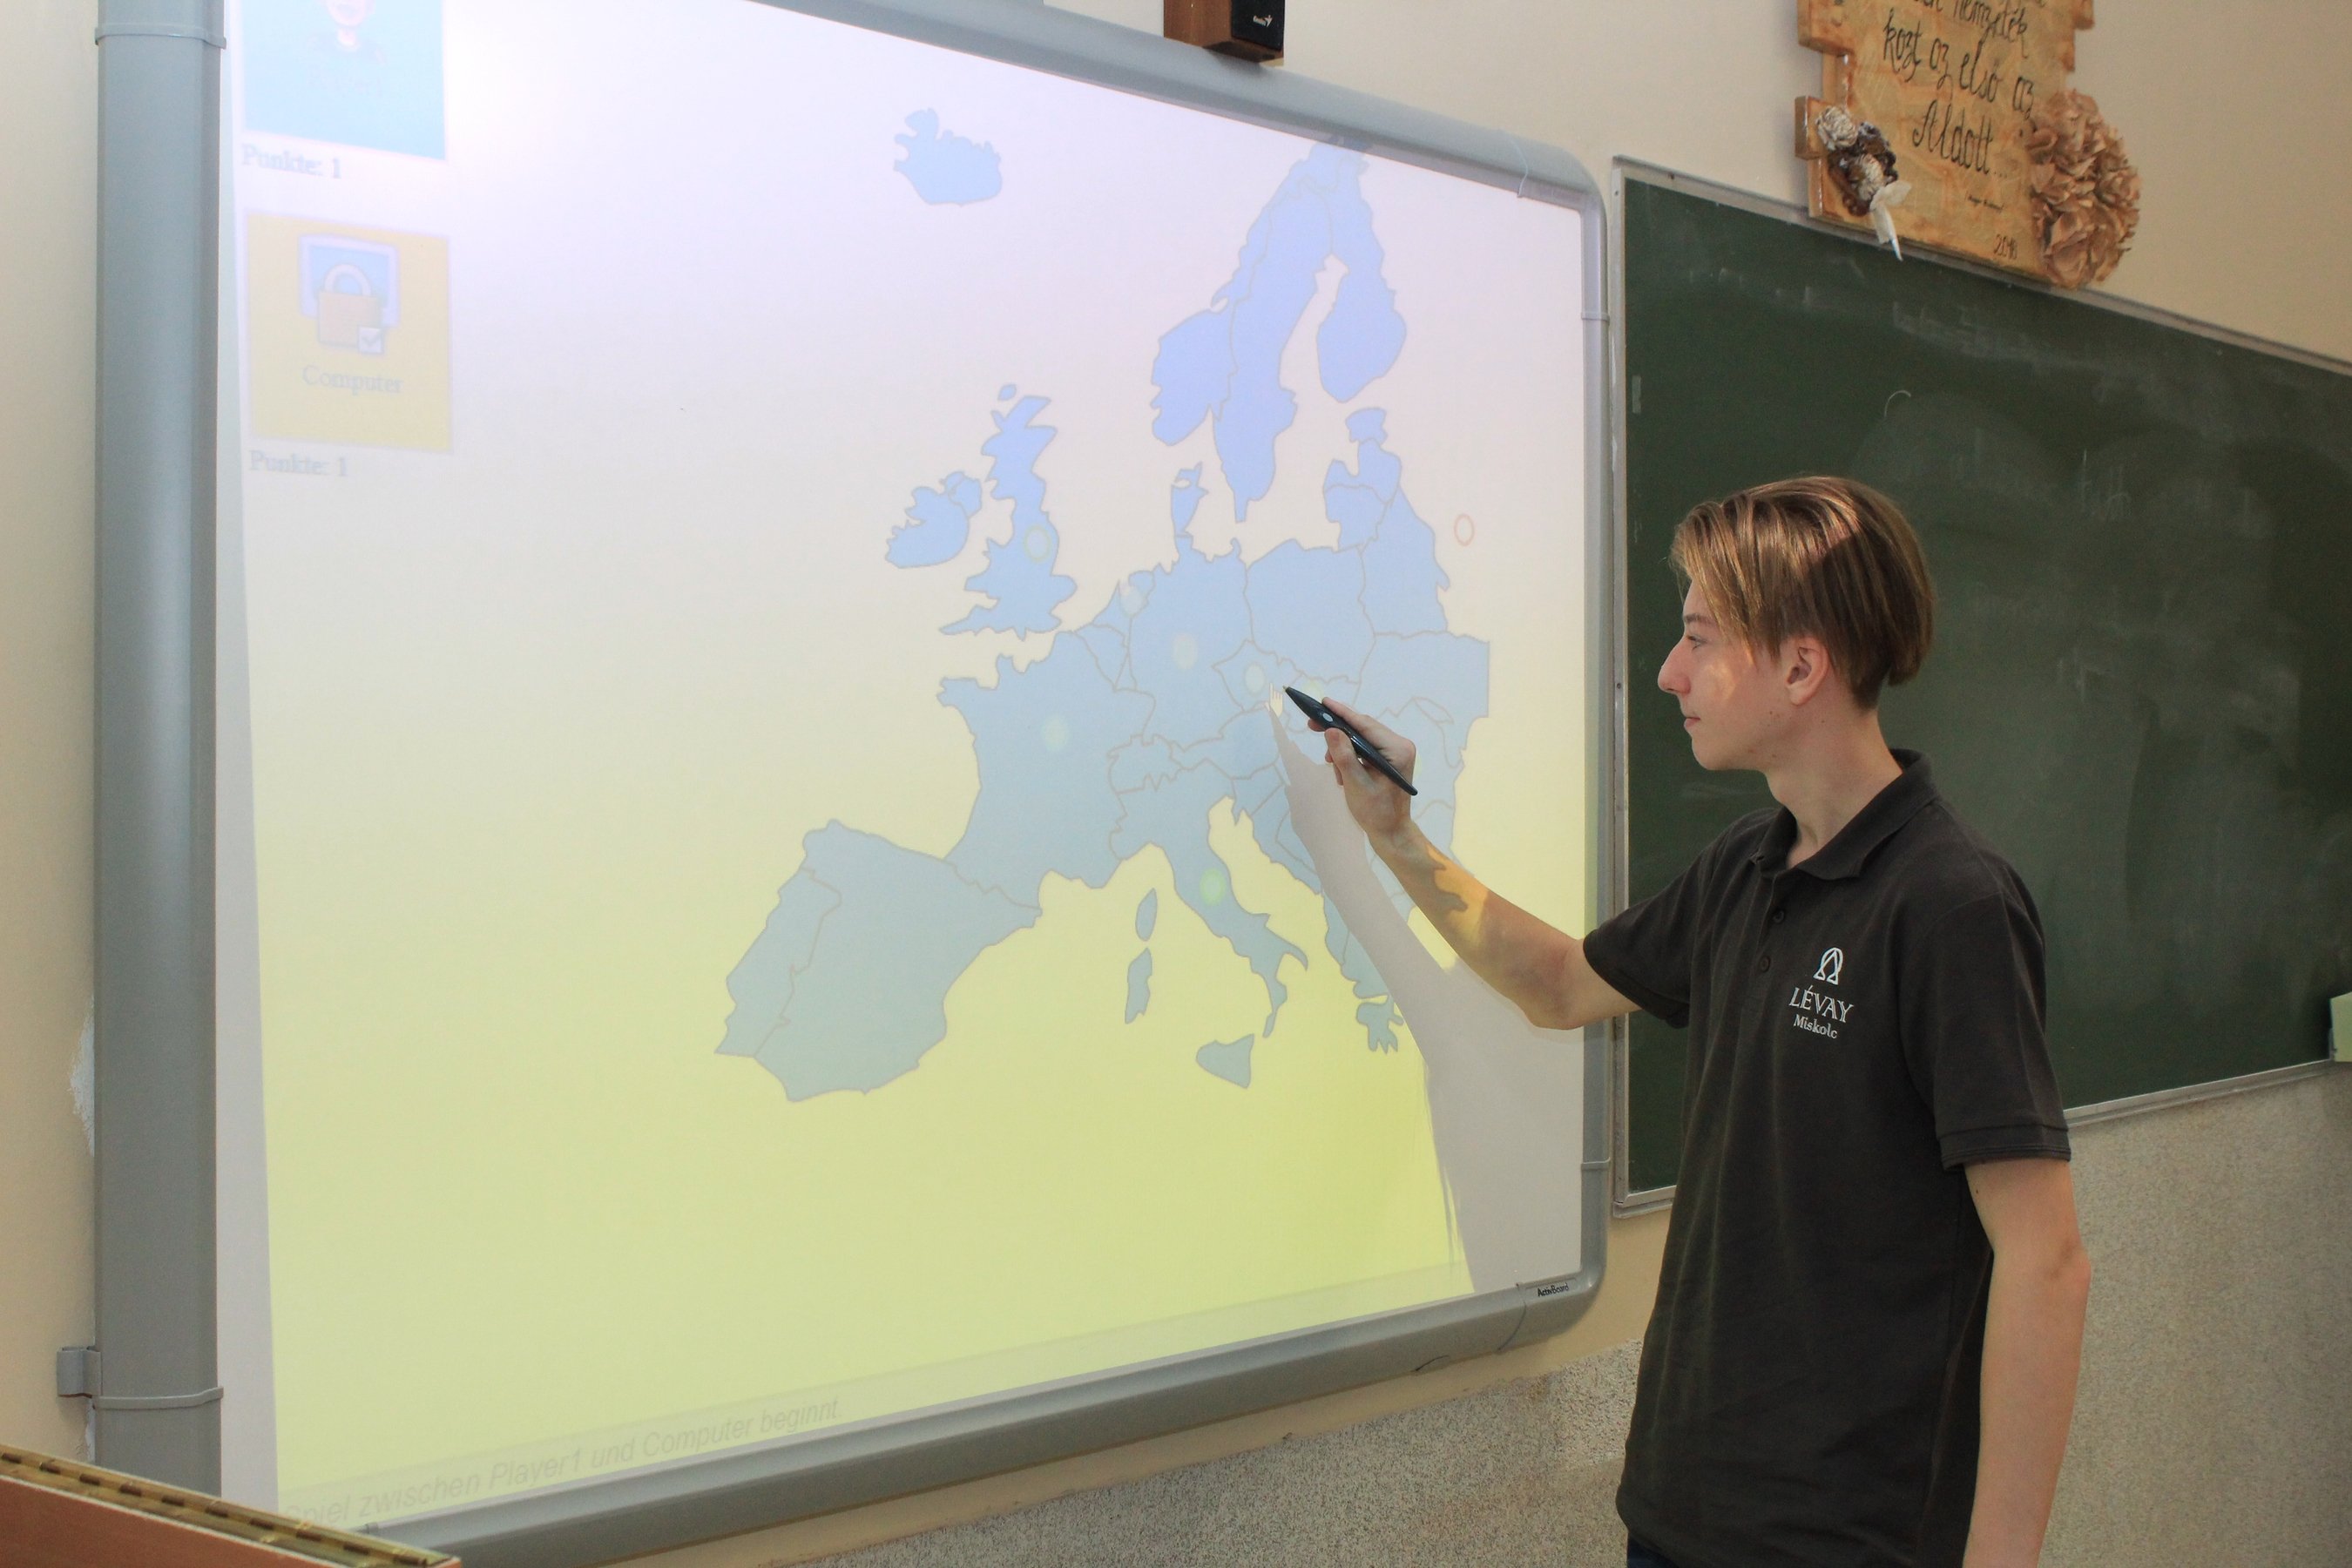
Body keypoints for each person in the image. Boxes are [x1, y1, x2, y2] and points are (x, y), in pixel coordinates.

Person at [1310, 476, 2091, 1568]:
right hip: (1683, 1511)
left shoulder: (1950, 903)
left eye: (1700, 639)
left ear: (1802, 668)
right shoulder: (1746, 866)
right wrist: (1395, 836)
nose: (1670, 672)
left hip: (1845, 1537)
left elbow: (2046, 1260)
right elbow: (1559, 984)